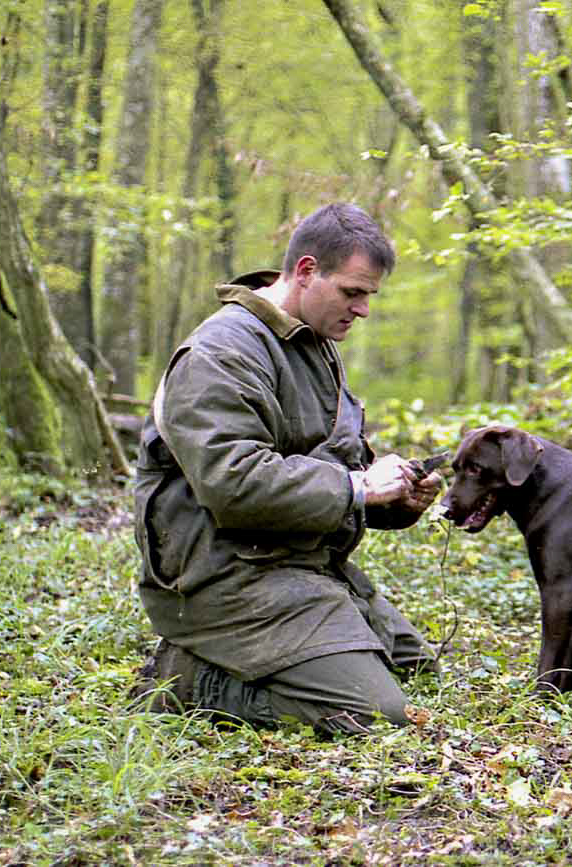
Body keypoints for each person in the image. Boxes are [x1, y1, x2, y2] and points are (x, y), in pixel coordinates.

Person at [131, 203, 442, 735]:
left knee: (418, 670)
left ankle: (286, 655)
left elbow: (335, 468)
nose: (363, 309)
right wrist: (359, 487)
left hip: (297, 565)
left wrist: (394, 499)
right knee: (376, 715)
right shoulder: (221, 351)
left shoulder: (314, 344)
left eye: (369, 295)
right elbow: (234, 483)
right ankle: (188, 681)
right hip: (223, 578)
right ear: (305, 271)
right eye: (352, 292)